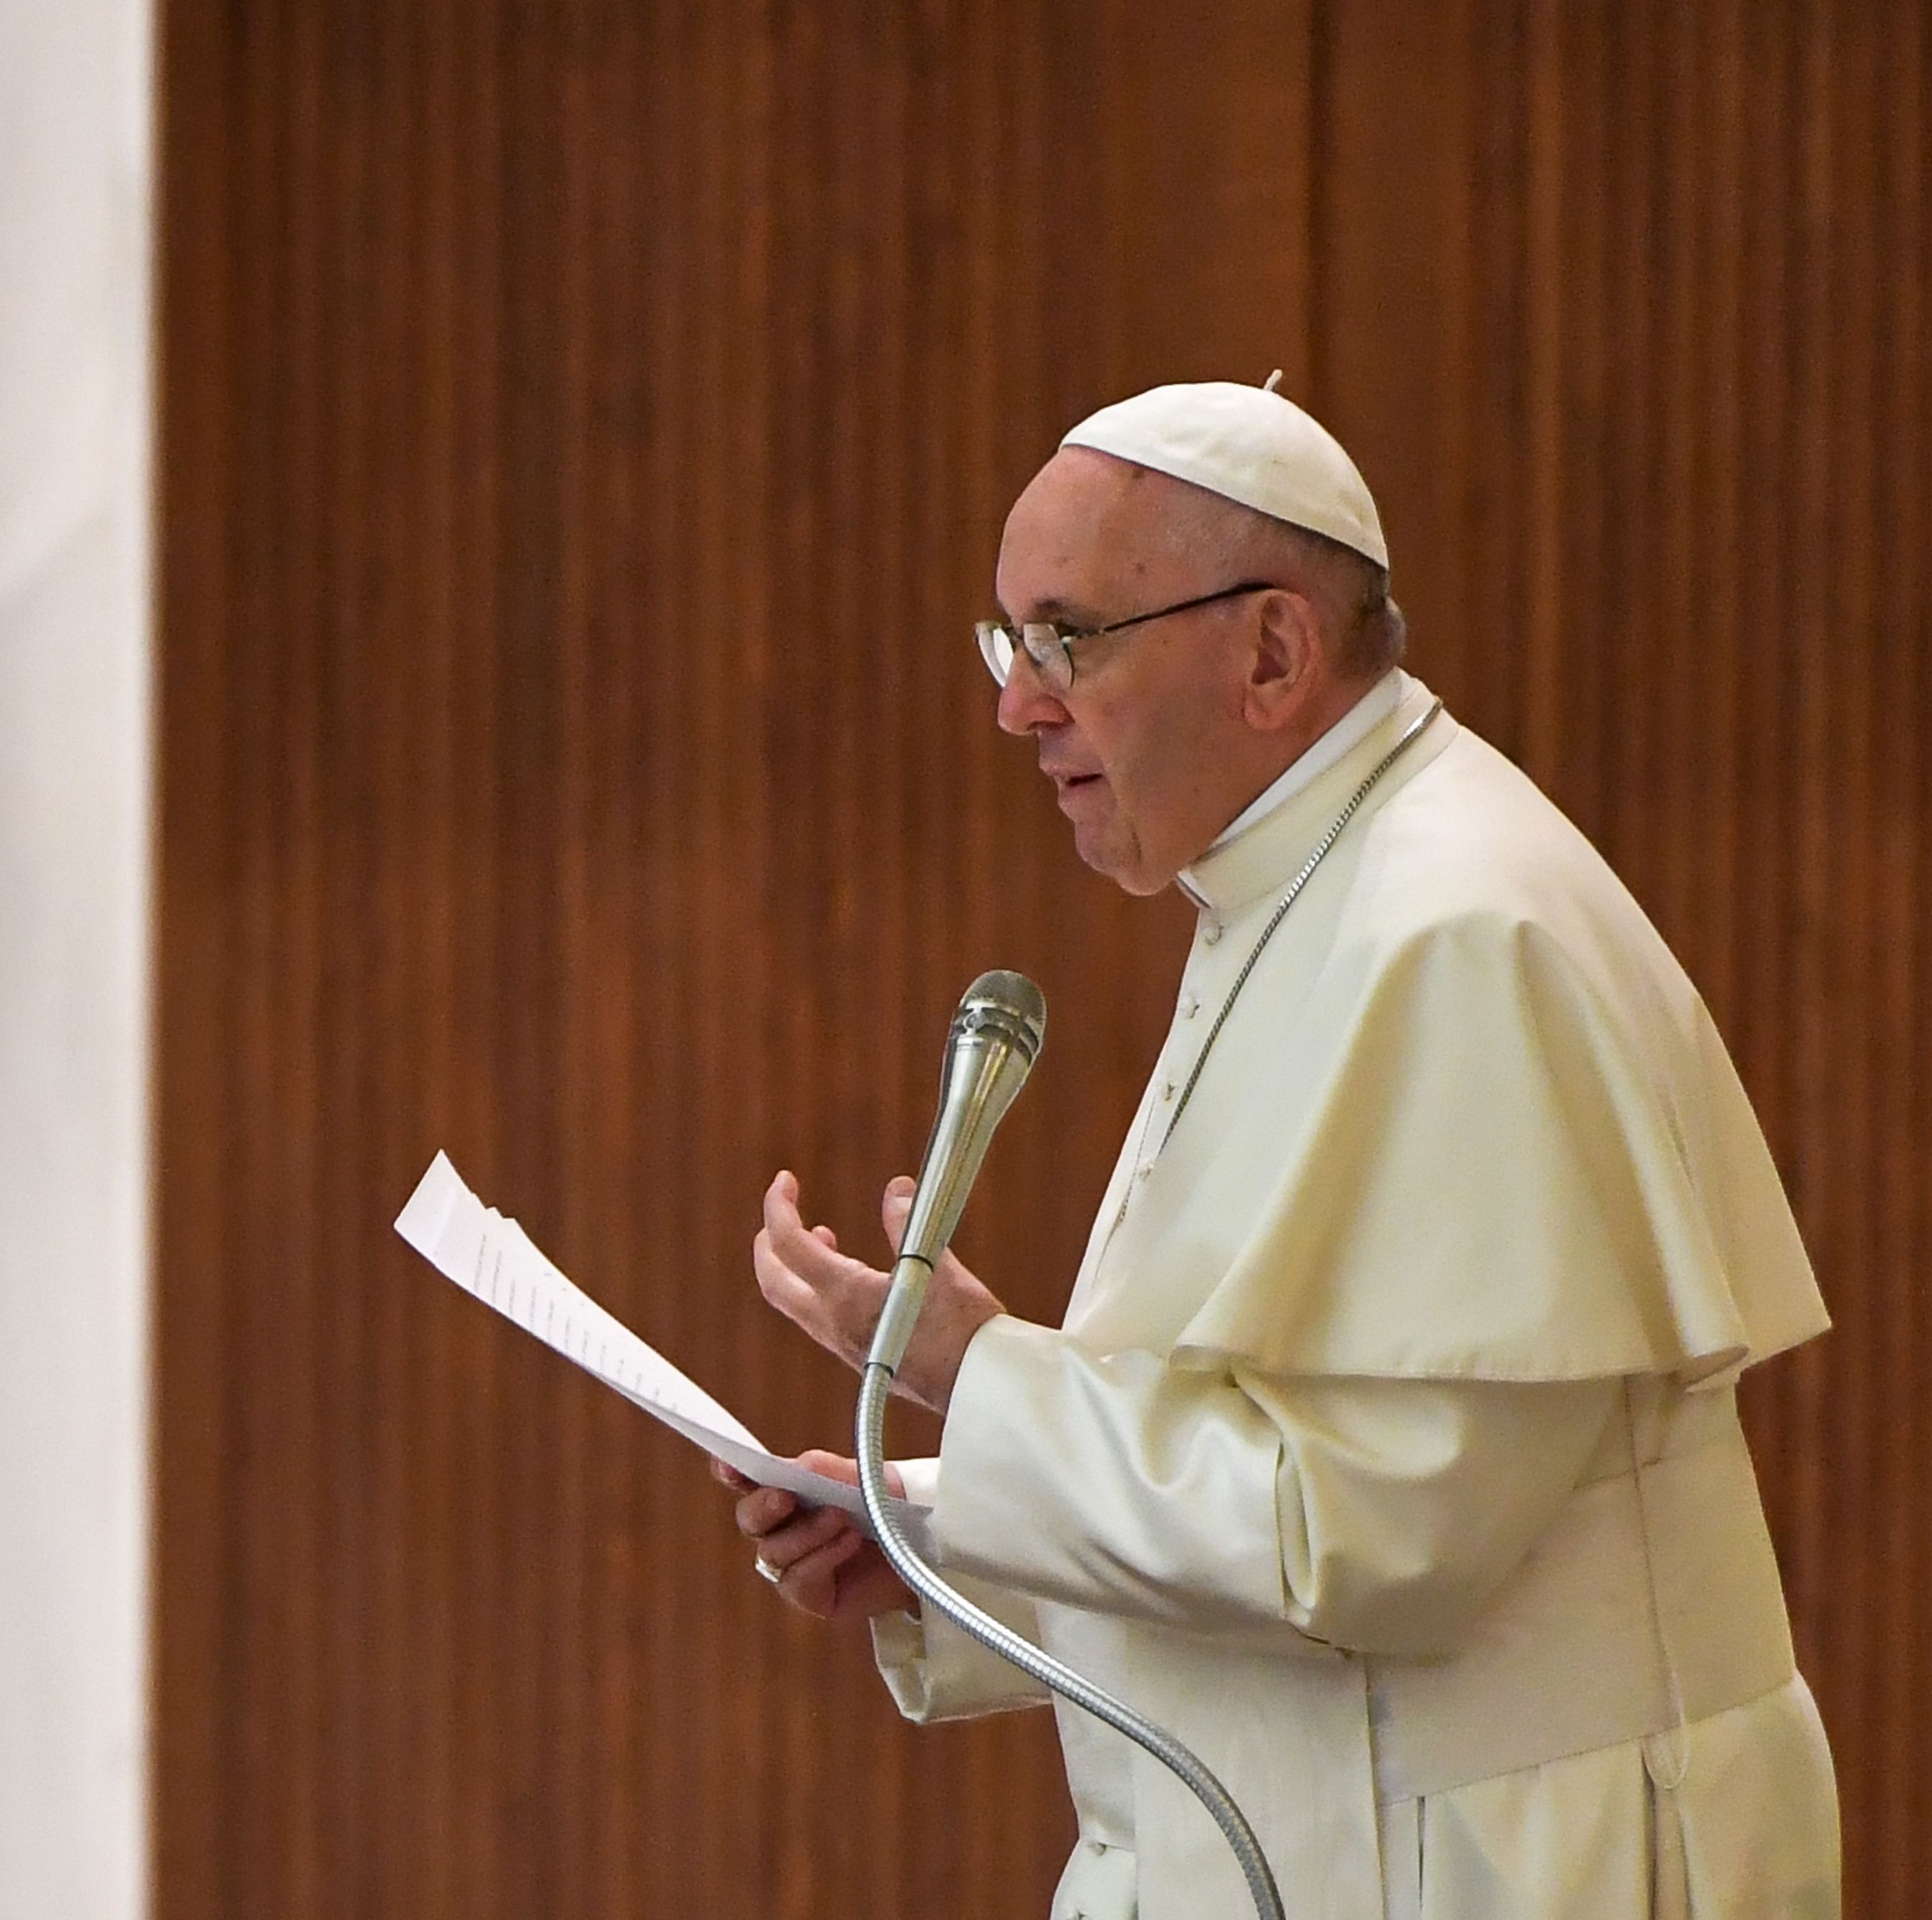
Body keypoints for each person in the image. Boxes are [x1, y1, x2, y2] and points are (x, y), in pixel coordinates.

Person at [716, 379, 1840, 1919]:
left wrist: (975, 1378)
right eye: (1007, 642)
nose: (1016, 703)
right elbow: (1267, 1470)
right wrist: (932, 1531)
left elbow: (1369, 1542)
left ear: (1266, 650)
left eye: (1066, 638)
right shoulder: (1300, 889)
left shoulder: (1451, 930)